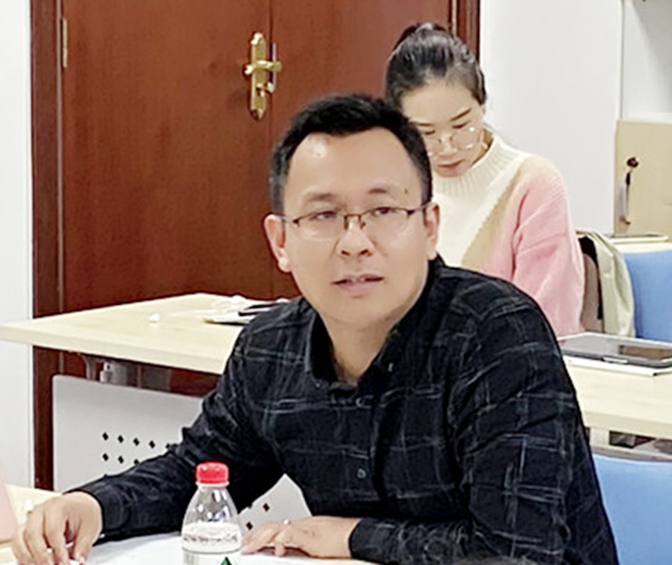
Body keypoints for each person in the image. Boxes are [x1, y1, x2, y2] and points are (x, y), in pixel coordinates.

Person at [12, 94, 617, 565]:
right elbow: (197, 472)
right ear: (281, 240)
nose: (355, 242)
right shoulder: (271, 349)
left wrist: (351, 536)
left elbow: (514, 553)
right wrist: (92, 505)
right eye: (324, 215)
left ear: (430, 226)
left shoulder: (496, 336)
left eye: (384, 210)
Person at [385, 23, 585, 337]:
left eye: (461, 125)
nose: (447, 147)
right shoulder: (389, 190)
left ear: (483, 104)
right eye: (427, 133)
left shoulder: (533, 185)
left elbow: (544, 324)